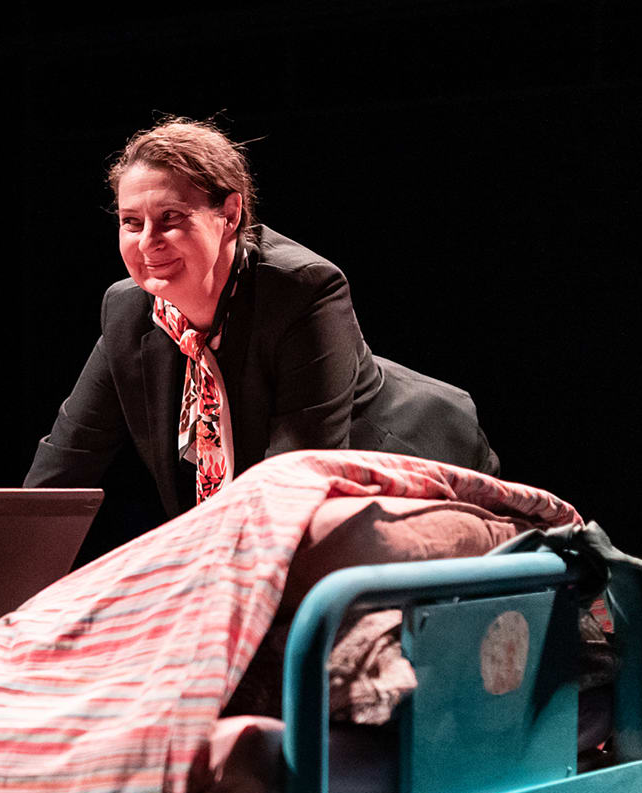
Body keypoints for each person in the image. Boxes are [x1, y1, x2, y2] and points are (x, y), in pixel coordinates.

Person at [26, 118, 498, 539]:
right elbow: (67, 460)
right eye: (131, 223)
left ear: (230, 215)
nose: (148, 242)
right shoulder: (127, 311)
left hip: (410, 479)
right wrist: (6, 560)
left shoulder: (304, 291)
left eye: (171, 218)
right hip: (301, 508)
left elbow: (296, 477)